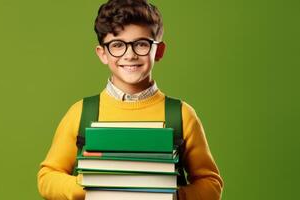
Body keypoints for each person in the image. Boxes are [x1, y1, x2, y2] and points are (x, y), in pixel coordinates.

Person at [37, 0, 223, 199]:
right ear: (103, 54)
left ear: (158, 50)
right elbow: (47, 177)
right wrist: (87, 186)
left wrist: (174, 196)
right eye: (117, 45)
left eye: (141, 44)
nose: (130, 54)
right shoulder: (81, 112)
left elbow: (211, 183)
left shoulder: (182, 115)